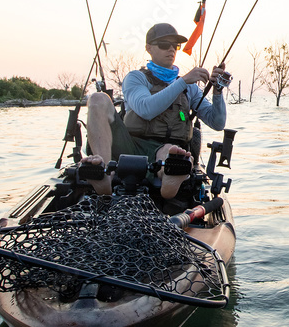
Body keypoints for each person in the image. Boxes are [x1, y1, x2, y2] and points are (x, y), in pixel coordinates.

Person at [82, 22, 230, 199]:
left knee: (170, 151)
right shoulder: (136, 78)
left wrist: (217, 91)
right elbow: (145, 109)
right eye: (164, 45)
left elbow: (217, 122)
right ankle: (103, 172)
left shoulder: (190, 88)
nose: (171, 50)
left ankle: (170, 182)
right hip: (130, 147)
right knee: (98, 98)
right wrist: (182, 81)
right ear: (149, 48)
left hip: (166, 150)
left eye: (175, 46)